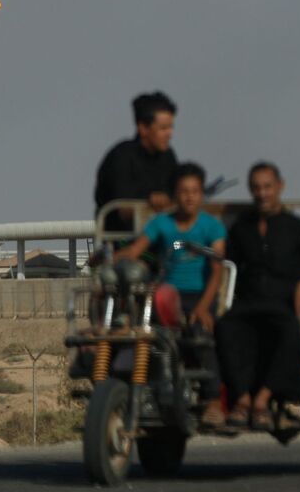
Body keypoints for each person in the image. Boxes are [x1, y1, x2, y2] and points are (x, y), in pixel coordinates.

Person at [216, 161, 300, 430]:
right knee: (224, 328)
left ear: (280, 187)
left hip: (285, 306)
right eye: (256, 188)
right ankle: (242, 400)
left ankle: (263, 401)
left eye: (268, 187)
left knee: (290, 336)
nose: (262, 193)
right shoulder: (241, 229)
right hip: (247, 305)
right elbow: (227, 264)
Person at [120, 162, 227, 428]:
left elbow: (217, 270)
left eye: (194, 191)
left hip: (199, 297)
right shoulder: (162, 224)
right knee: (142, 336)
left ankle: (213, 400)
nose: (189, 196)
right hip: (166, 295)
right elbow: (135, 250)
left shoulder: (211, 227)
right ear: (174, 194)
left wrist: (203, 308)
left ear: (201, 194)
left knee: (202, 336)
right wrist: (111, 260)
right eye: (183, 191)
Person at [94, 91, 178, 240]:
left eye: (171, 128)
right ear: (143, 128)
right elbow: (123, 210)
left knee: (191, 250)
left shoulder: (168, 157)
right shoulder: (121, 157)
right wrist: (151, 203)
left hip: (163, 243)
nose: (170, 134)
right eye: (164, 128)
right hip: (122, 245)